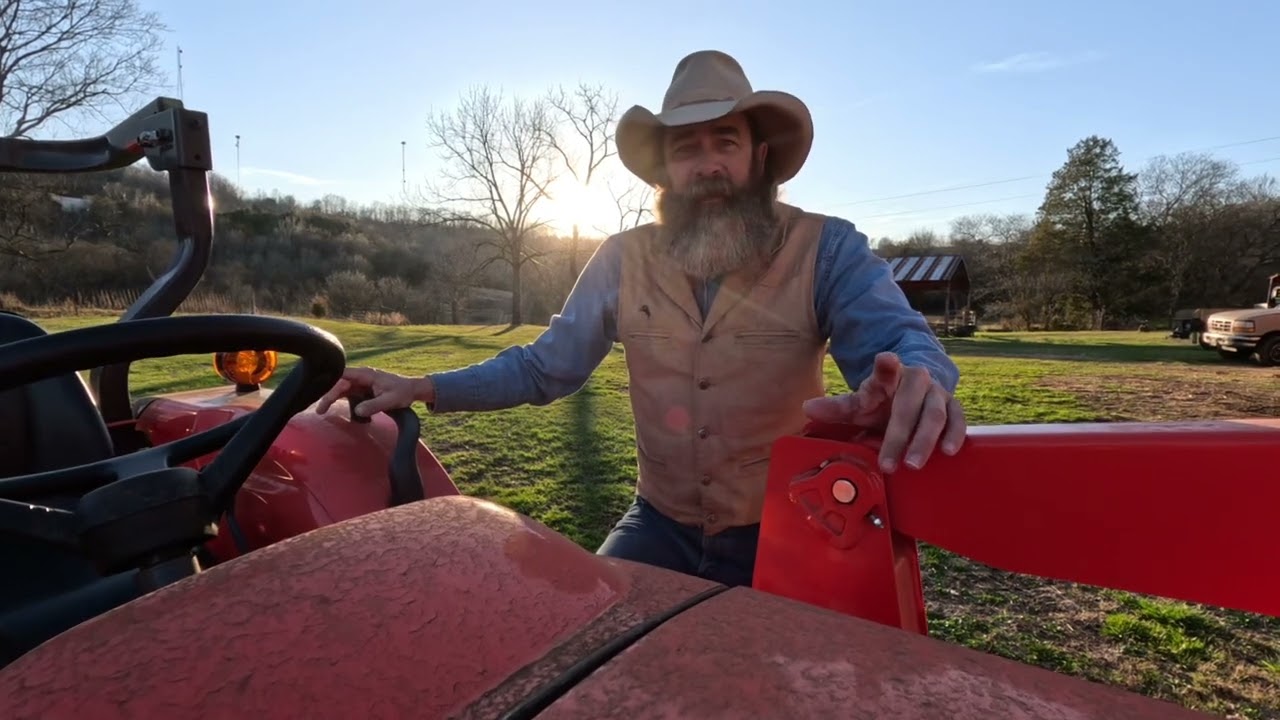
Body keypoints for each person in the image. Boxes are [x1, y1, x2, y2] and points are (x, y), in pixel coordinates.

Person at [316, 50, 966, 587]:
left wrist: (916, 377)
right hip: (659, 525)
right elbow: (548, 367)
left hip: (791, 523)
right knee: (591, 664)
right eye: (688, 147)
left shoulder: (828, 250)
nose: (708, 163)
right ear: (665, 170)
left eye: (726, 141)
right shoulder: (622, 259)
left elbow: (897, 340)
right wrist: (424, 387)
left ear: (758, 157)